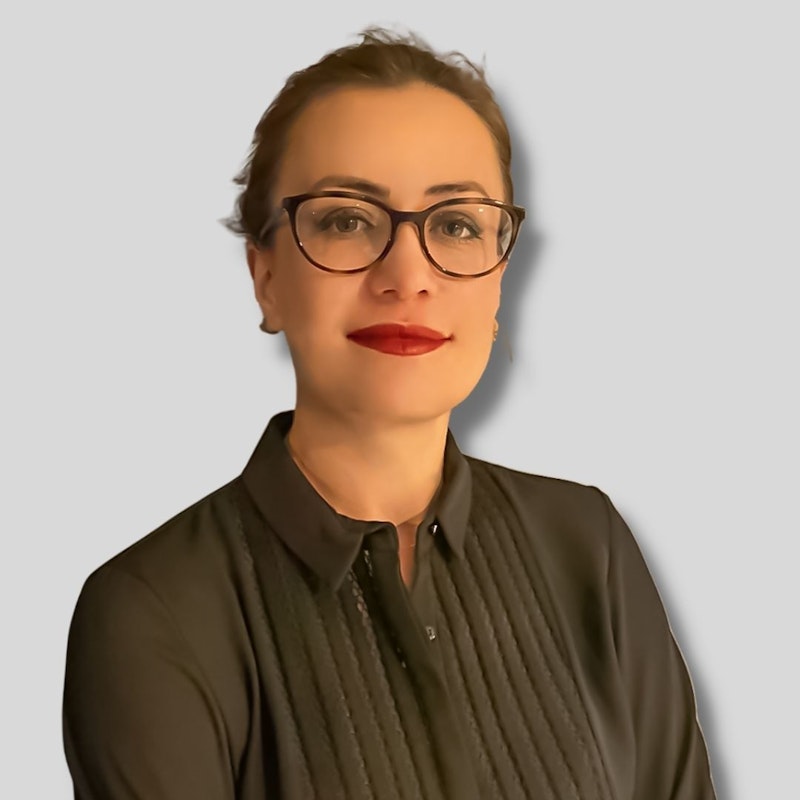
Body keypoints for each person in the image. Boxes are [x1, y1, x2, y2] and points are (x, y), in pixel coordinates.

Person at [62, 27, 717, 800]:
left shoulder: (590, 543)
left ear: (499, 278)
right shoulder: (150, 612)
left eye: (457, 224)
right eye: (346, 219)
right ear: (265, 275)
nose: (408, 275)